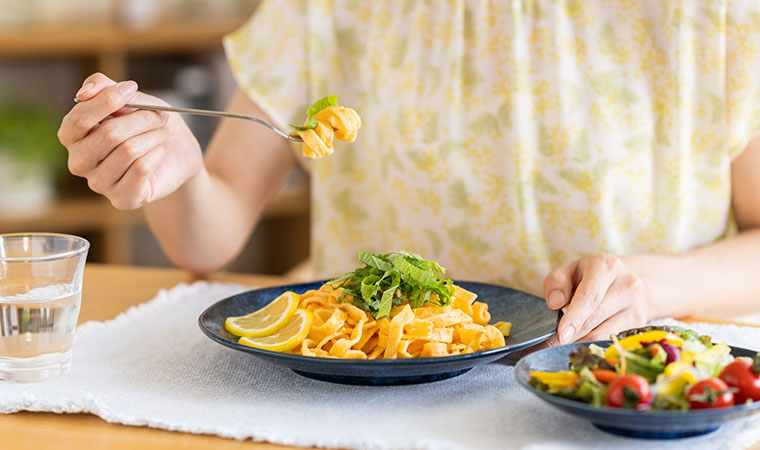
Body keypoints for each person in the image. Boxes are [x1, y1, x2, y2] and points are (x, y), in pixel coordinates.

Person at [57, 1, 760, 345]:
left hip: (630, 382)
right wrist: (175, 173)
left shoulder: (712, 14)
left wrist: (652, 283)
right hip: (363, 382)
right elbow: (209, 236)